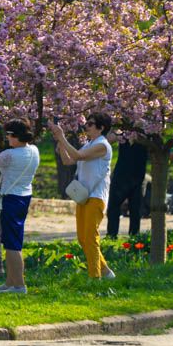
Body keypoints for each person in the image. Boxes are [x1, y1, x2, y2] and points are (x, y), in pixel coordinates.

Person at [49, 113, 115, 280]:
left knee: (91, 237)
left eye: (91, 124)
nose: (86, 127)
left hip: (97, 196)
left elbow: (78, 156)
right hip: (84, 196)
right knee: (82, 238)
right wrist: (60, 142)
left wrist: (62, 138)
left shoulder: (103, 145)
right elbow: (68, 161)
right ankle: (106, 272)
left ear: (101, 128)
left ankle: (95, 278)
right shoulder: (88, 144)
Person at [0, 119, 40, 294]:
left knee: (12, 244)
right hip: (25, 196)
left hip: (11, 198)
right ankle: (10, 282)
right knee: (12, 240)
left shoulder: (9, 155)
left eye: (9, 135)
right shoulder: (34, 150)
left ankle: (19, 285)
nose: (7, 138)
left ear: (16, 136)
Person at [107, 139, 147, 237]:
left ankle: (134, 236)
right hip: (121, 174)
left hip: (138, 175)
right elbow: (108, 139)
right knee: (113, 206)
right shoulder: (123, 129)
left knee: (136, 209)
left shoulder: (148, 134)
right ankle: (111, 235)